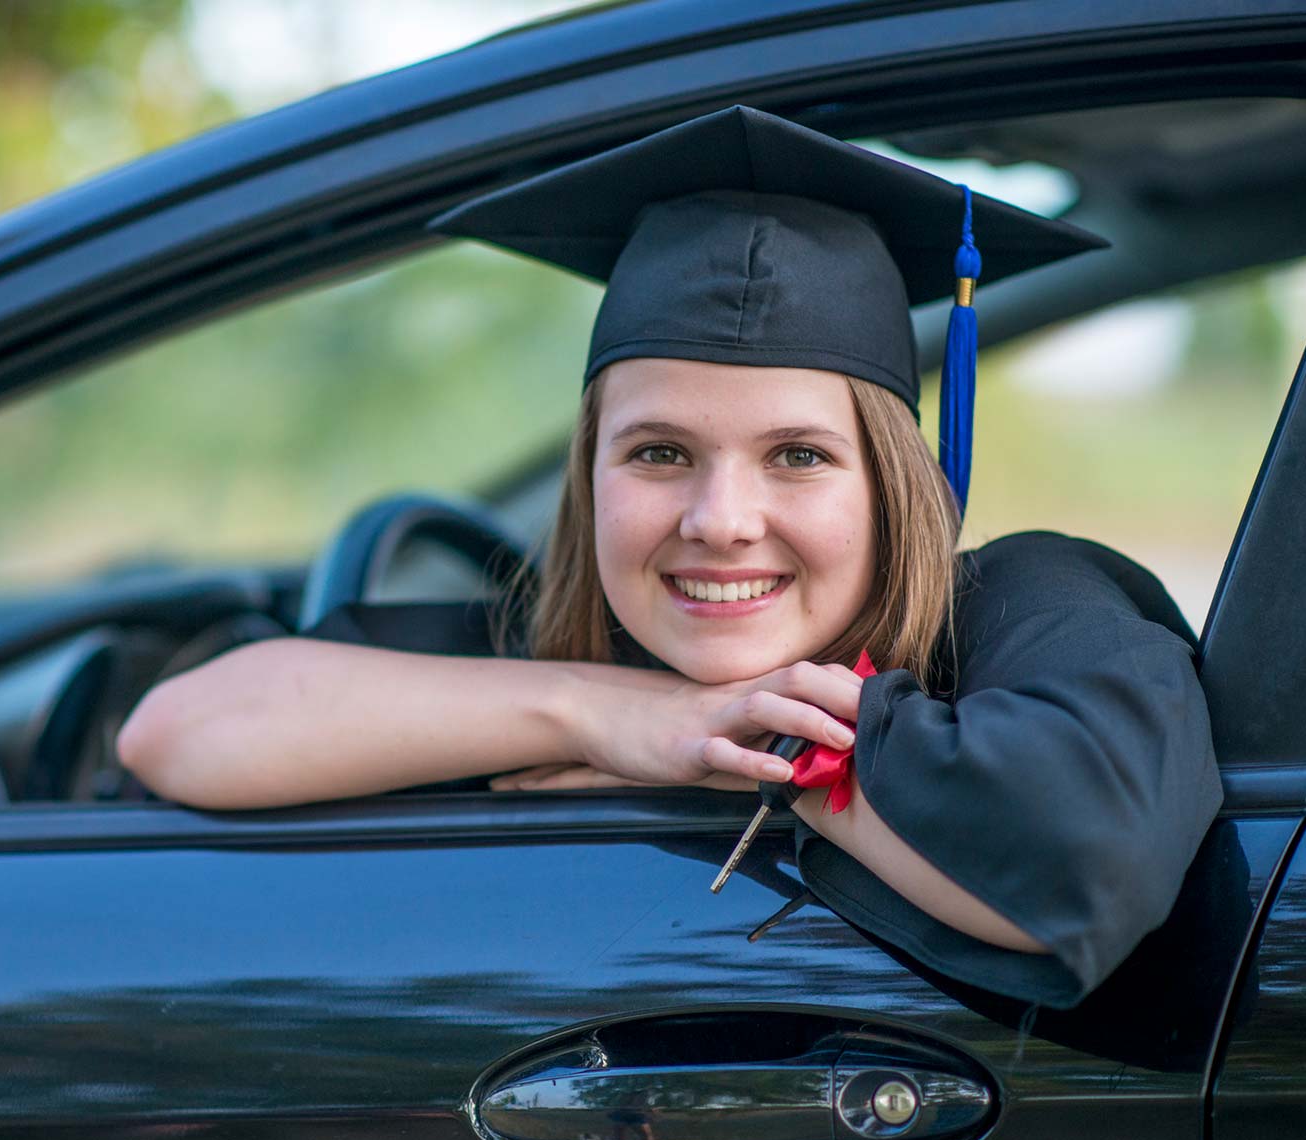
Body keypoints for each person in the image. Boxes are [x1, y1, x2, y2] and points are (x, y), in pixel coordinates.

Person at [118, 107, 1222, 1009]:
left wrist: (745, 752)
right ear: (587, 473)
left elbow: (1086, 854)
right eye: (657, 452)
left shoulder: (1019, 608)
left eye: (796, 455)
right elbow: (180, 731)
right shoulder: (539, 652)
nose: (718, 519)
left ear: (893, 484)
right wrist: (608, 715)